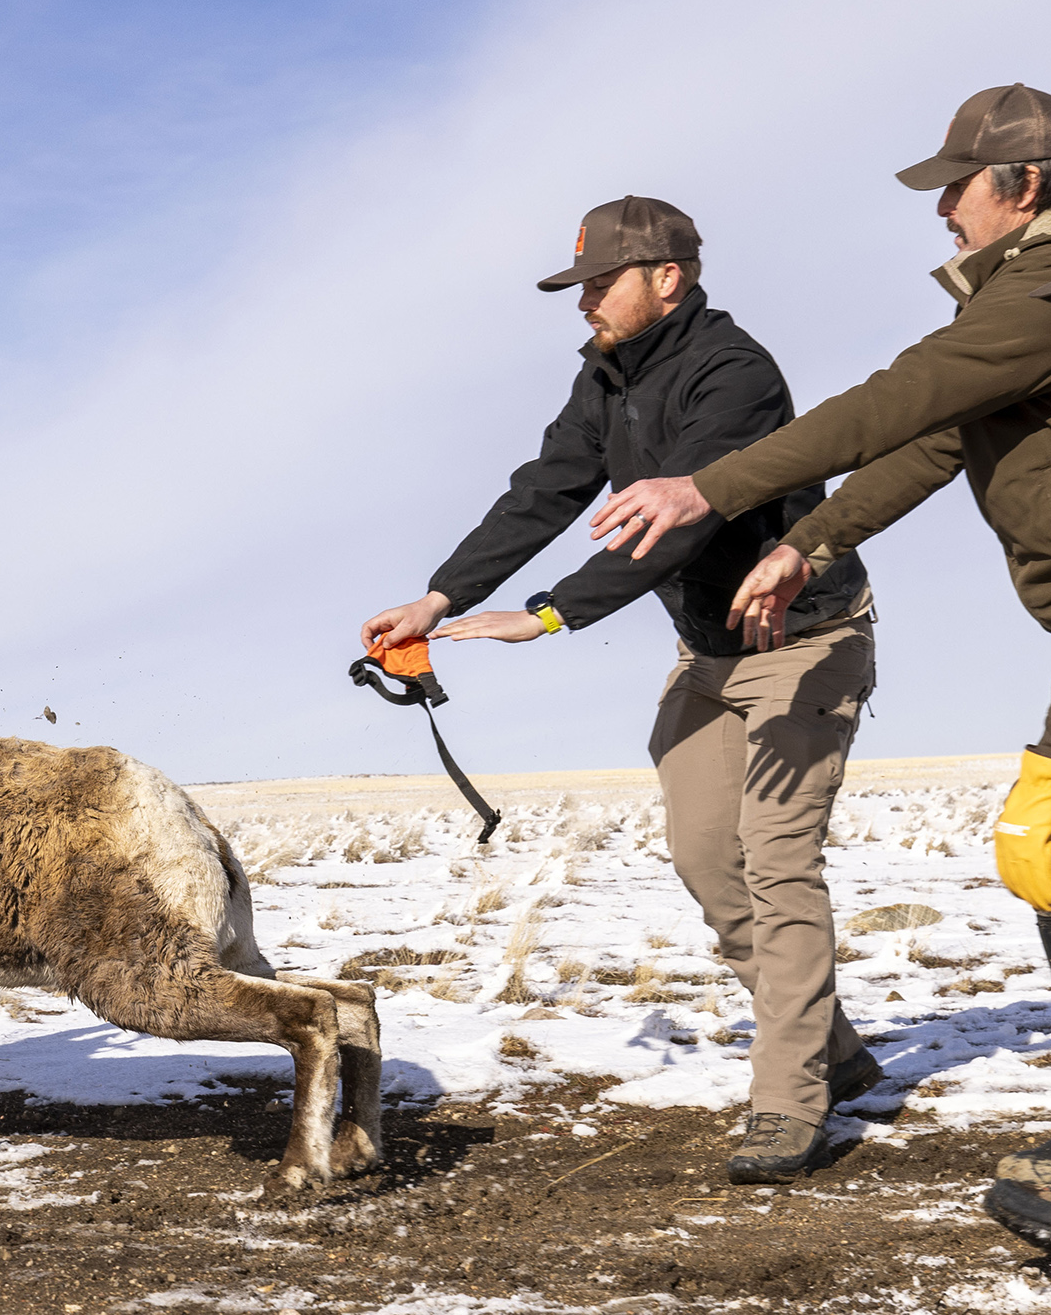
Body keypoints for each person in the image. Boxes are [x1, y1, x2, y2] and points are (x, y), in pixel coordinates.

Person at [581, 84, 1051, 1249]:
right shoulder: (1032, 293)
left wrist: (712, 488)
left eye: (953, 188)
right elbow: (934, 437)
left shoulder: (1046, 286)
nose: (942, 213)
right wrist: (810, 540)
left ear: (1018, 185)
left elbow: (897, 399)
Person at [359, 195, 880, 1185]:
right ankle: (832, 1049)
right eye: (577, 285)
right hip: (705, 655)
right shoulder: (604, 374)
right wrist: (440, 595)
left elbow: (675, 526)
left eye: (599, 283)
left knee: (774, 863)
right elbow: (545, 486)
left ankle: (789, 1101)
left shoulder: (734, 376)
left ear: (666, 278)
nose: (582, 302)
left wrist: (550, 613)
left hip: (803, 644)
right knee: (703, 860)